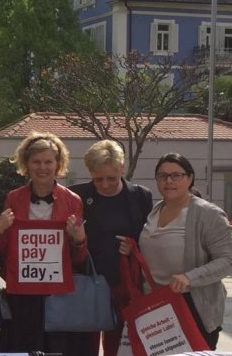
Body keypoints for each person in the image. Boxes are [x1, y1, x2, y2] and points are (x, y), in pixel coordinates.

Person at [119, 153, 232, 350]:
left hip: (193, 306)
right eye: (162, 176)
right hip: (155, 306)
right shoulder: (155, 210)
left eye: (176, 175)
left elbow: (227, 259)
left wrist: (190, 277)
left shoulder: (208, 214)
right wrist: (133, 251)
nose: (169, 181)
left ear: (190, 178)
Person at [0, 131, 88, 355]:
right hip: (22, 294)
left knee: (57, 347)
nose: (42, 167)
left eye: (48, 162)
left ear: (58, 164)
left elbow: (79, 258)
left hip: (59, 295)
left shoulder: (73, 201)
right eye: (36, 162)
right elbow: (6, 251)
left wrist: (79, 239)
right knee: (24, 347)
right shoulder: (13, 198)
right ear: (26, 164)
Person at [69, 139, 153, 355]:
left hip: (124, 285)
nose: (105, 184)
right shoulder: (76, 196)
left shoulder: (140, 197)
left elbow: (149, 239)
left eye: (111, 178)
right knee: (83, 344)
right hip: (85, 282)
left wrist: (132, 248)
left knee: (119, 347)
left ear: (122, 168)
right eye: (98, 179)